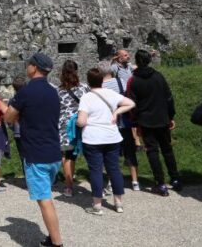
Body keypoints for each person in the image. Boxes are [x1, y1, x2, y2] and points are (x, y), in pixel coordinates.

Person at [5, 53, 64, 247]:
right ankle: (52, 236)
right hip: (54, 151)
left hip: (36, 153)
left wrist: (18, 115)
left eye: (29, 64)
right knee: (46, 195)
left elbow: (8, 117)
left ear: (34, 67)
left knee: (44, 199)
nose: (27, 67)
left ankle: (57, 243)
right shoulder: (52, 91)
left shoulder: (26, 92)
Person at [77, 67, 136, 215]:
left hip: (92, 138)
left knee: (96, 170)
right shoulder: (111, 93)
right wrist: (116, 112)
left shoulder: (86, 97)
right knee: (114, 169)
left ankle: (97, 205)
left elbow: (82, 121)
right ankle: (118, 203)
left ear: (88, 81)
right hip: (112, 136)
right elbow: (130, 103)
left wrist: (77, 122)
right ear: (102, 80)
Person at [127, 49, 181, 196]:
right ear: (149, 60)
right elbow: (169, 98)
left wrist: (135, 122)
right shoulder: (158, 76)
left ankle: (160, 183)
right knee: (167, 149)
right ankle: (175, 179)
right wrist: (171, 116)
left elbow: (132, 104)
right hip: (162, 118)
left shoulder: (133, 80)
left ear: (136, 62)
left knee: (152, 151)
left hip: (145, 120)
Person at [102, 54, 140, 190]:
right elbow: (127, 97)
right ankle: (135, 182)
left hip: (110, 123)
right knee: (130, 151)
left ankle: (112, 182)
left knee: (112, 154)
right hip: (124, 120)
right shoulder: (121, 82)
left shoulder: (100, 87)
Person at [56, 60, 89, 197]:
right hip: (81, 124)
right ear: (76, 71)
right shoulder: (84, 88)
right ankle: (101, 185)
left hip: (64, 126)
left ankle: (68, 187)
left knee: (68, 156)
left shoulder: (58, 91)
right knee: (91, 154)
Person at [11, 76, 27, 178]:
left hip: (18, 131)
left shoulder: (13, 100)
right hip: (30, 131)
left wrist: (13, 127)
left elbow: (8, 117)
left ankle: (27, 177)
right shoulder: (30, 98)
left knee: (23, 157)